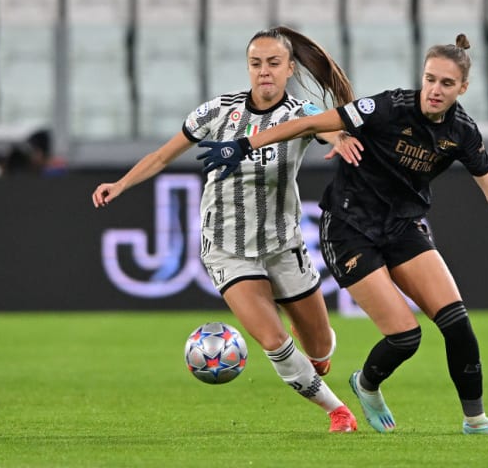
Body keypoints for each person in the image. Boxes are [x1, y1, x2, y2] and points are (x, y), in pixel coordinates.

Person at [197, 34, 488, 435]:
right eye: (430, 79)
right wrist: (244, 143)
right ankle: (365, 384)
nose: (435, 90)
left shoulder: (462, 132)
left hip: (402, 227)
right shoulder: (388, 107)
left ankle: (476, 420)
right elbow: (312, 122)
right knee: (405, 337)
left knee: (457, 323)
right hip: (349, 228)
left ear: (462, 88)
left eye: (446, 84)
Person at [92, 27, 358, 433]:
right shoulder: (218, 112)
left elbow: (331, 130)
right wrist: (121, 184)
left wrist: (341, 139)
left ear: (289, 68)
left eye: (273, 63)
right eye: (256, 64)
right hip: (227, 247)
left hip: (282, 244)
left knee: (319, 350)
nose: (264, 72)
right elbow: (163, 155)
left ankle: (313, 362)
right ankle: (338, 412)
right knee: (274, 341)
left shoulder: (301, 115)